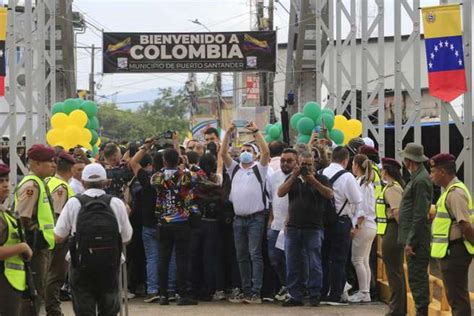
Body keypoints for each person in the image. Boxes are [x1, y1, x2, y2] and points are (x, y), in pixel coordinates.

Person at [54, 163, 133, 315]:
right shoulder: (116, 203)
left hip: (80, 264)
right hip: (110, 265)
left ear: (83, 182)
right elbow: (126, 238)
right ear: (106, 182)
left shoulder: (73, 203)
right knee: (109, 310)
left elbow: (58, 236)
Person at [220, 121, 270, 304]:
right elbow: (223, 153)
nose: (245, 152)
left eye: (249, 150)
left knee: (254, 254)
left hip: (256, 218)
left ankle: (256, 291)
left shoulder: (260, 169)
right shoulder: (234, 169)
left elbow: (266, 152)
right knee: (241, 256)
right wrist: (228, 133)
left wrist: (256, 131)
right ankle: (246, 290)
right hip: (238, 219)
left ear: (254, 155)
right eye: (242, 150)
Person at [278, 151, 333, 307]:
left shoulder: (322, 178)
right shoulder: (292, 178)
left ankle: (315, 294)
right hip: (294, 227)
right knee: (292, 263)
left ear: (314, 164)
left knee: (314, 262)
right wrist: (295, 176)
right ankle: (295, 295)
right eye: (303, 164)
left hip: (313, 228)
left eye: (309, 164)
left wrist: (312, 180)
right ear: (298, 164)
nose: (306, 167)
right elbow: (280, 192)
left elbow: (329, 194)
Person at [129, 141, 177, 303]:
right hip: (169, 222)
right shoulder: (178, 177)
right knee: (171, 257)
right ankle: (170, 289)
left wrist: (145, 147)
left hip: (149, 224)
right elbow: (180, 162)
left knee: (152, 258)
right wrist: (175, 145)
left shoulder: (149, 179)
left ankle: (153, 290)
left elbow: (133, 163)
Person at [151, 148, 200, 306]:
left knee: (163, 259)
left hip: (164, 222)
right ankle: (182, 294)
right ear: (179, 160)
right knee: (182, 259)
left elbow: (153, 183)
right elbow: (196, 178)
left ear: (164, 161)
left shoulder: (157, 177)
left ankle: (163, 295)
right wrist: (185, 165)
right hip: (181, 221)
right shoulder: (186, 175)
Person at [429, 153, 474, 316]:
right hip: (450, 251)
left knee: (457, 299)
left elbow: (465, 224)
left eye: (433, 171)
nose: (431, 175)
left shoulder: (455, 193)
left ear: (442, 172)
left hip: (455, 251)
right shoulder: (449, 192)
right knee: (455, 297)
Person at [15, 144, 57, 316]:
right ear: (37, 164)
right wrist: (35, 235)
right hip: (34, 248)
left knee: (38, 292)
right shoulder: (31, 185)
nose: (54, 165)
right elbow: (22, 218)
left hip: (41, 246)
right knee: (32, 294)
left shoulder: (40, 182)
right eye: (50, 161)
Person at [320, 146, 362, 305]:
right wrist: (354, 224)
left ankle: (322, 292)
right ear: (346, 160)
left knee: (323, 258)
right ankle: (335, 295)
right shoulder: (347, 177)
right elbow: (357, 200)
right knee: (339, 259)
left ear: (332, 158)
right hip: (341, 222)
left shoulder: (321, 173)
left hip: (322, 222)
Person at [398, 143, 433, 316]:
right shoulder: (417, 178)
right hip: (415, 239)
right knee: (415, 279)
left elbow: (420, 214)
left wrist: (411, 241)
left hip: (417, 242)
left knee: (418, 281)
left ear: (409, 160)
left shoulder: (420, 180)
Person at [44, 151, 76, 316]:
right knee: (56, 275)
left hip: (46, 235)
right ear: (71, 169)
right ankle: (53, 309)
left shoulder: (48, 180)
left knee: (49, 273)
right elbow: (57, 214)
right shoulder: (62, 187)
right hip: (57, 237)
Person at [189, 153, 224, 301]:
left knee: (194, 256)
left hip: (196, 222)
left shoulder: (194, 178)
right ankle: (209, 289)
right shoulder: (217, 181)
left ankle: (194, 289)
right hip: (212, 222)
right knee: (210, 258)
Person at [0, 163, 33, 316]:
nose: (6, 185)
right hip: (5, 282)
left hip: (10, 281)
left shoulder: (4, 212)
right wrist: (22, 247)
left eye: (7, 180)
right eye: (1, 181)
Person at [377, 158, 406, 316]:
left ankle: (396, 310)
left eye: (382, 169)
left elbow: (397, 212)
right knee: (396, 271)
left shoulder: (391, 188)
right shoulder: (393, 187)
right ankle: (398, 308)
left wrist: (404, 234)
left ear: (386, 171)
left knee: (394, 272)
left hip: (393, 230)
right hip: (391, 230)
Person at [266, 148, 296, 302]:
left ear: (296, 162)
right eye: (283, 160)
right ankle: (285, 284)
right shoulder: (274, 176)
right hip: (275, 225)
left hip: (291, 227)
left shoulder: (298, 178)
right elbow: (272, 200)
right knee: (274, 259)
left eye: (289, 161)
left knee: (290, 259)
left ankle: (293, 289)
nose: (285, 163)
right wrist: (270, 220)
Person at [348, 154, 377, 303]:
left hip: (364, 226)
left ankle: (364, 291)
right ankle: (365, 291)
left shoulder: (363, 184)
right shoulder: (366, 183)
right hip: (370, 226)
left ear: (357, 166)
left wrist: (357, 226)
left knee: (357, 260)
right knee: (364, 260)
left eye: (353, 164)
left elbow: (362, 209)